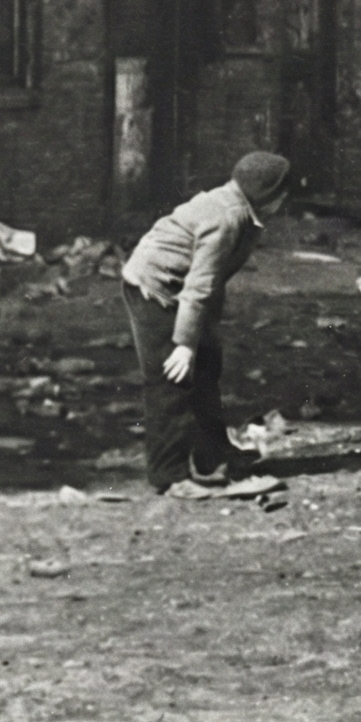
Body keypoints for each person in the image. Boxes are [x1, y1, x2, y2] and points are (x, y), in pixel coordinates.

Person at [118, 150, 292, 498]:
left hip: (181, 291)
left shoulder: (240, 207)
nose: (286, 201)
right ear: (268, 195)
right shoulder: (228, 218)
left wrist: (202, 337)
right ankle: (169, 476)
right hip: (156, 289)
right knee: (172, 382)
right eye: (283, 193)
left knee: (207, 367)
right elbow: (200, 282)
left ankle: (214, 455)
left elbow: (211, 282)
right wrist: (184, 344)